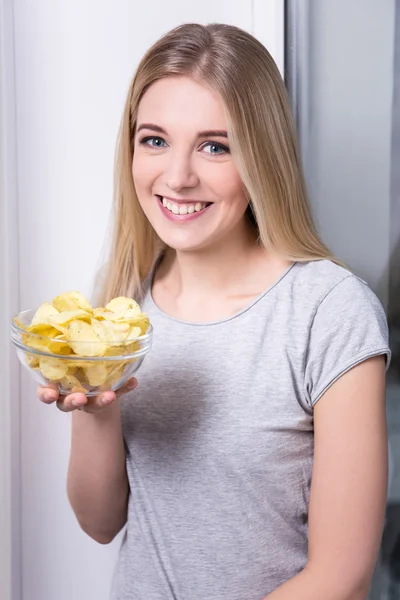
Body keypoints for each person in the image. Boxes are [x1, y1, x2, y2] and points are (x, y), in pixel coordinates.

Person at [38, 23, 391, 600]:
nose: (177, 177)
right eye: (155, 140)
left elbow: (342, 578)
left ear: (262, 157)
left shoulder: (330, 312)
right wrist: (94, 406)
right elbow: (101, 523)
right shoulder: (124, 304)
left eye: (214, 146)